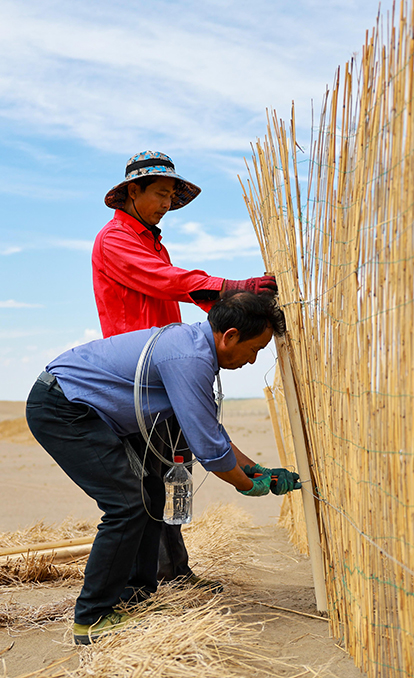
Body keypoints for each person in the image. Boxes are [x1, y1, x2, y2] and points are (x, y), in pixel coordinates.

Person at [25, 291, 300, 645]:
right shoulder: (189, 356)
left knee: (150, 495)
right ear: (230, 336)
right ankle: (92, 617)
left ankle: (134, 598)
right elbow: (208, 448)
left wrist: (254, 468)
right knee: (127, 502)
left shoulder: (193, 349)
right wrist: (247, 485)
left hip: (86, 411)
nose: (253, 360)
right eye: (256, 349)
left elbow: (209, 430)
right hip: (63, 408)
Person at [93, 150, 278, 585]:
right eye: (160, 194)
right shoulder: (116, 239)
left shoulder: (151, 241)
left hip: (167, 371)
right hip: (141, 378)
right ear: (132, 192)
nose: (165, 204)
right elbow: (170, 281)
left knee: (173, 472)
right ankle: (156, 579)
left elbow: (172, 283)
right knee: (149, 482)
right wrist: (233, 288)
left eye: (171, 196)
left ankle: (176, 572)